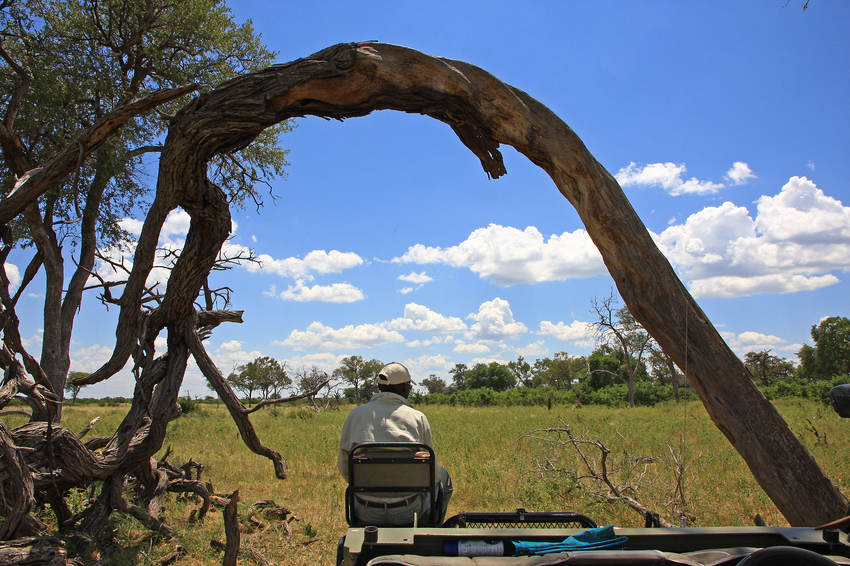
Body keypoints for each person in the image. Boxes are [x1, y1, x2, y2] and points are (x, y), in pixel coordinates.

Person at [338, 362, 453, 526]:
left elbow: (344, 467)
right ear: (404, 387)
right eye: (410, 385)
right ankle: (433, 527)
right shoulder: (417, 417)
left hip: (365, 511)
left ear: (379, 387)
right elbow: (432, 474)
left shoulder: (355, 415)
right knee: (443, 475)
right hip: (409, 510)